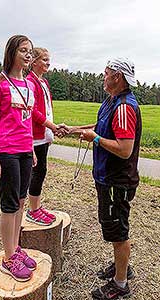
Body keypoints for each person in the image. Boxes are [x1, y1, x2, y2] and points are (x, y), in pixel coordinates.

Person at [69, 58, 142, 299]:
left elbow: (124, 149)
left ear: (117, 77)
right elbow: (100, 125)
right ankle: (121, 267)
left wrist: (95, 139)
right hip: (108, 177)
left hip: (115, 180)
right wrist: (76, 130)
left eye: (106, 73)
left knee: (118, 231)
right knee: (114, 228)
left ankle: (120, 283)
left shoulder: (124, 108)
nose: (103, 77)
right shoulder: (111, 101)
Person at [0, 35, 38, 282]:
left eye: (30, 51)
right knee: (9, 204)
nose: (29, 55)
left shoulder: (28, 84)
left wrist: (32, 150)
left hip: (25, 151)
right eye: (23, 50)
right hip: (6, 152)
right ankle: (8, 259)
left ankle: (15, 248)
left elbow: (27, 122)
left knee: (20, 201)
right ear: (11, 52)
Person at [26, 47, 68, 225]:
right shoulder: (30, 82)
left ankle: (36, 206)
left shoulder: (43, 82)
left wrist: (51, 130)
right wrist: (52, 126)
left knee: (41, 171)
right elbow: (33, 111)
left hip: (43, 134)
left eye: (48, 60)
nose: (48, 63)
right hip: (34, 136)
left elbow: (47, 109)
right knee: (37, 171)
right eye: (44, 60)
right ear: (34, 62)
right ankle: (33, 210)